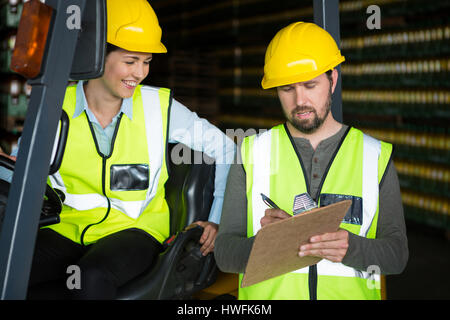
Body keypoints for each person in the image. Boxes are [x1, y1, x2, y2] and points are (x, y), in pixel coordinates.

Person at [0, 0, 234, 299]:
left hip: (135, 231)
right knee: (9, 265)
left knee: (90, 278)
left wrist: (217, 218)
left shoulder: (160, 108)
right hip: (68, 227)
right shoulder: (56, 105)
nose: (139, 73)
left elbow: (228, 150)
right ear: (96, 56)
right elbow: (18, 168)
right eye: (130, 60)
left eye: (146, 61)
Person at [214, 21, 408, 300]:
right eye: (286, 88)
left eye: (310, 85)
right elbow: (224, 254)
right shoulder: (250, 153)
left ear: (333, 80)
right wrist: (269, 244)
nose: (299, 100)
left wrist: (350, 247)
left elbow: (397, 255)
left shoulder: (375, 157)